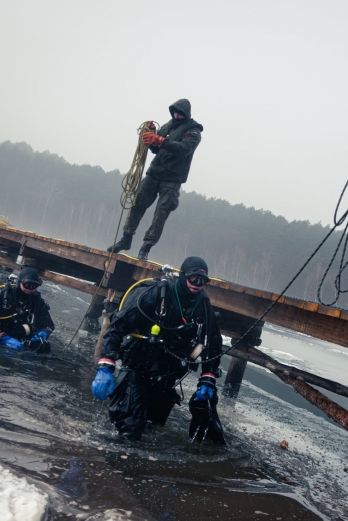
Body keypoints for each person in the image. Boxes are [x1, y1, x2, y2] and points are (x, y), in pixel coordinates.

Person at [91, 256, 225, 443]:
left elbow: (213, 343)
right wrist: (106, 366)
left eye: (203, 280)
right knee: (130, 431)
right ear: (183, 276)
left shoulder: (202, 304)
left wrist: (208, 378)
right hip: (138, 370)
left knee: (152, 429)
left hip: (167, 377)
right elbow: (117, 326)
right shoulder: (157, 293)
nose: (198, 284)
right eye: (194, 278)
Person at [107, 99, 204, 261]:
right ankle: (126, 238)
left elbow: (184, 149)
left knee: (160, 215)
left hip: (172, 179)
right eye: (174, 112)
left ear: (186, 114)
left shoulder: (194, 132)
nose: (176, 115)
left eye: (180, 113)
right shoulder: (168, 126)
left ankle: (146, 247)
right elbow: (155, 149)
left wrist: (160, 140)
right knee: (137, 204)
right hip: (155, 173)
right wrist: (152, 136)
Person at [0, 267, 54, 353]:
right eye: (27, 285)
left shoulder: (36, 300)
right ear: (19, 282)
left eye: (34, 286)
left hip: (19, 338)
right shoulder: (0, 296)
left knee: (44, 349)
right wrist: (2, 338)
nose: (30, 289)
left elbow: (49, 324)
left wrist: (44, 332)